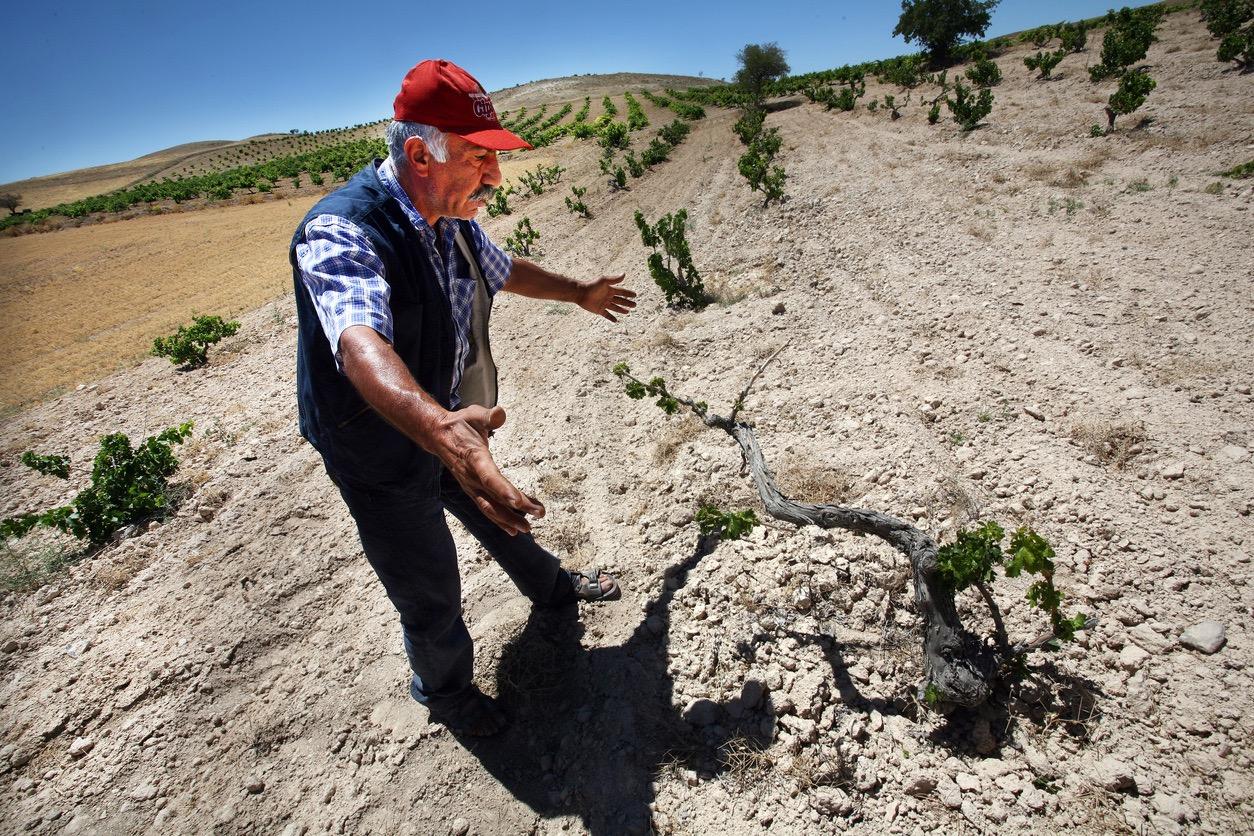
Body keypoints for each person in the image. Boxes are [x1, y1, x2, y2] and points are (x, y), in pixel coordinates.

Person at [289, 58, 636, 736]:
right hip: (379, 448)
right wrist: (442, 430)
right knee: (429, 589)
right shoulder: (343, 232)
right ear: (420, 153)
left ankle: (555, 590)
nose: (496, 177)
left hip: (448, 419)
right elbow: (359, 342)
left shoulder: (451, 218)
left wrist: (578, 293)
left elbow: (500, 270)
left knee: (499, 513)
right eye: (480, 158)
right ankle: (444, 692)